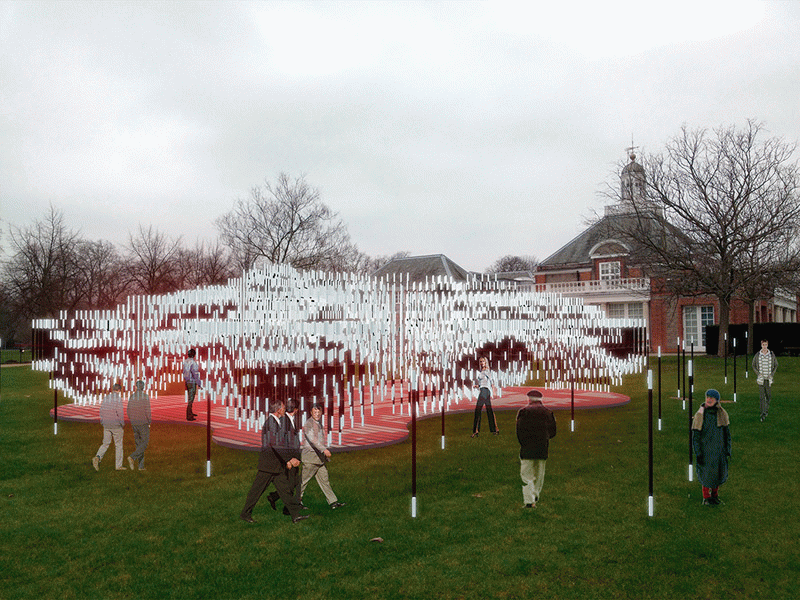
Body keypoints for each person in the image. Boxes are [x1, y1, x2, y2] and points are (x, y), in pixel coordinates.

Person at [240, 399, 308, 524]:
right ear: (278, 410)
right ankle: (245, 513)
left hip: (276, 466)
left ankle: (295, 515)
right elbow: (276, 444)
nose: (285, 409)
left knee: (285, 491)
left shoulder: (275, 422)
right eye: (283, 407)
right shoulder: (271, 422)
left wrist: (285, 460)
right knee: (256, 491)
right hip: (268, 466)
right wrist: (289, 459)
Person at [515, 389, 557, 508]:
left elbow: (519, 431)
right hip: (542, 447)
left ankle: (529, 499)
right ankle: (535, 494)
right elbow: (553, 432)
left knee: (527, 474)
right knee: (539, 474)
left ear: (529, 399)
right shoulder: (548, 412)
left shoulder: (523, 412)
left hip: (527, 447)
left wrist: (523, 443)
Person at [301, 403, 345, 510]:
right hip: (310, 459)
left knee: (325, 480)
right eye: (315, 412)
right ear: (311, 412)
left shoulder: (319, 423)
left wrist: (325, 456)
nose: (317, 414)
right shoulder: (308, 424)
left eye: (319, 412)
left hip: (319, 459)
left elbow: (320, 441)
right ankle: (295, 502)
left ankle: (333, 502)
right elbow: (313, 439)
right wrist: (324, 450)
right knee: (303, 482)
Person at [692, 389, 732, 506]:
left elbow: (726, 434)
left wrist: (727, 449)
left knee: (718, 473)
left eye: (712, 398)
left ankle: (715, 496)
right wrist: (698, 452)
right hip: (705, 450)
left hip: (719, 450)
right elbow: (696, 436)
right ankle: (706, 497)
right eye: (707, 397)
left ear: (716, 400)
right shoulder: (700, 415)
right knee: (706, 474)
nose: (709, 400)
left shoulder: (722, 414)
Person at [266, 398, 306, 514]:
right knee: (292, 482)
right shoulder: (284, 421)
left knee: (293, 482)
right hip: (289, 458)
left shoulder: (288, 419)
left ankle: (275, 497)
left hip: (292, 457)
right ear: (296, 410)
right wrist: (288, 460)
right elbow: (281, 442)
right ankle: (287, 508)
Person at [93, 383, 126, 471]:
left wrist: (103, 422)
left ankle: (98, 457)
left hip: (106, 424)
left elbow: (101, 410)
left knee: (105, 443)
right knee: (118, 445)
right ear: (119, 390)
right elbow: (120, 413)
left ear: (112, 389)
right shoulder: (118, 399)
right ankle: (118, 466)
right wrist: (122, 424)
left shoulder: (106, 397)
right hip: (115, 424)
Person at [127, 380, 152, 471]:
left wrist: (132, 420)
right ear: (143, 387)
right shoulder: (145, 397)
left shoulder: (132, 396)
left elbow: (128, 410)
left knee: (138, 444)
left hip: (134, 423)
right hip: (143, 423)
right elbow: (147, 411)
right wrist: (149, 421)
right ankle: (132, 457)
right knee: (144, 443)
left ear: (136, 386)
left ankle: (141, 466)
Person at [471, 356, 499, 437]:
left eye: (483, 361)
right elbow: (483, 383)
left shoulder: (486, 371)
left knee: (478, 410)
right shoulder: (482, 371)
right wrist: (477, 386)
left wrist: (494, 392)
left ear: (486, 362)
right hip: (484, 391)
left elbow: (491, 381)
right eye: (480, 361)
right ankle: (495, 429)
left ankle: (475, 431)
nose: (482, 363)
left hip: (484, 392)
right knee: (489, 410)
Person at [752, 339, 777, 422]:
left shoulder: (771, 355)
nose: (764, 346)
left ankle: (766, 410)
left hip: (768, 379)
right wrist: (758, 374)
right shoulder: (758, 355)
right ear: (761, 345)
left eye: (766, 345)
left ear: (767, 345)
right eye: (763, 345)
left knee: (768, 396)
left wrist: (772, 374)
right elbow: (753, 365)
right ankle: (762, 414)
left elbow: (776, 365)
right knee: (762, 397)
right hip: (761, 380)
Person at [183, 349, 201, 421]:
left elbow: (184, 372)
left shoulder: (185, 362)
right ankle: (189, 415)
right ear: (194, 355)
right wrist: (199, 383)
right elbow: (195, 374)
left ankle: (190, 412)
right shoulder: (193, 363)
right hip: (192, 382)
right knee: (191, 399)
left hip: (187, 381)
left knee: (189, 398)